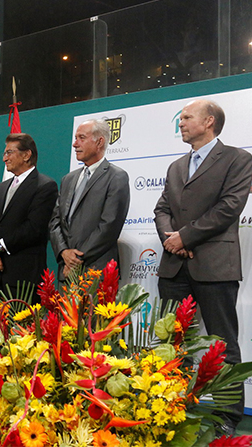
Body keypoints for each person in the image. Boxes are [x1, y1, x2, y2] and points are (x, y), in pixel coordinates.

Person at [154, 99, 252, 435]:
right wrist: (172, 240)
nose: (180, 123)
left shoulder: (239, 160)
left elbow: (229, 208)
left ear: (209, 121)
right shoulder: (176, 166)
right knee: (172, 343)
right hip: (174, 267)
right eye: (180, 118)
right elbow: (161, 208)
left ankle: (227, 418)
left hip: (214, 266)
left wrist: (185, 238)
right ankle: (172, 408)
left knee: (221, 344)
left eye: (186, 117)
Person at [0, 133, 58, 306]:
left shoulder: (45, 186)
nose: (4, 158)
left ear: (26, 155)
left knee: (21, 332)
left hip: (23, 279)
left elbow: (34, 228)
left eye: (9, 153)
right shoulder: (1, 188)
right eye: (4, 153)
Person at [49, 119, 129, 281]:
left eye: (81, 138)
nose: (74, 144)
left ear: (99, 142)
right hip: (66, 271)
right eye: (75, 138)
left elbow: (109, 226)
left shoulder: (116, 177)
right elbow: (55, 221)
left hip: (95, 272)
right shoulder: (68, 179)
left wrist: (76, 259)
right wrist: (64, 252)